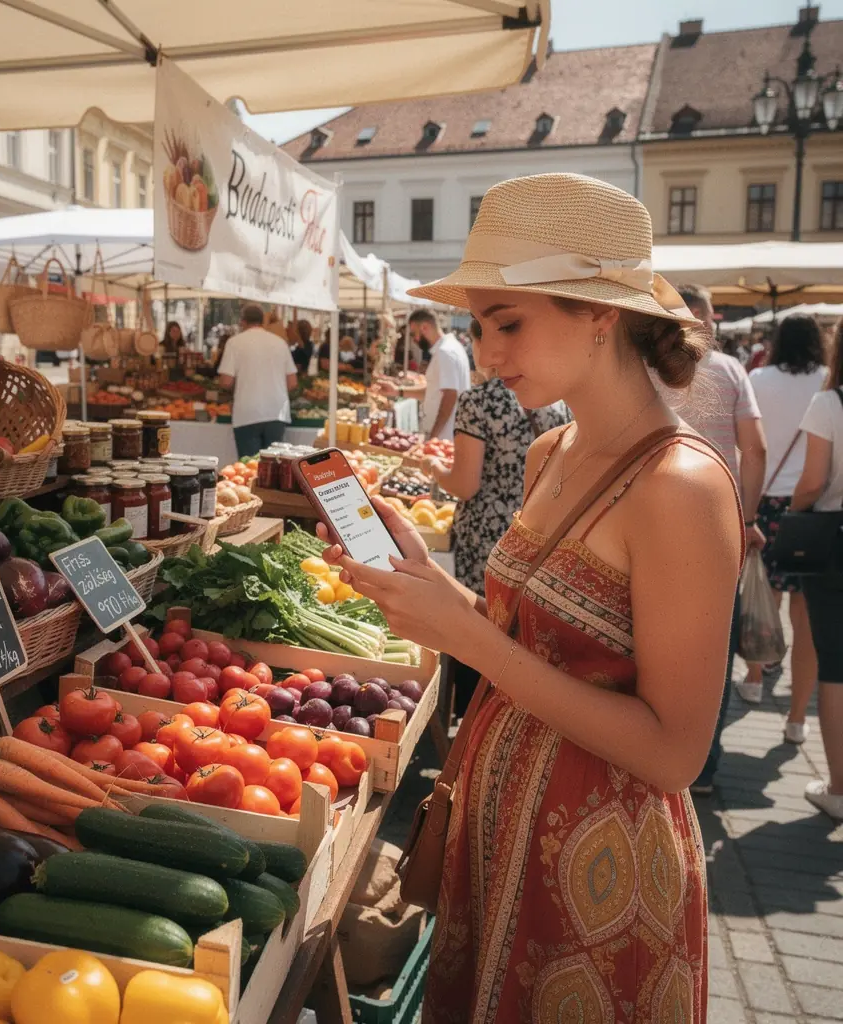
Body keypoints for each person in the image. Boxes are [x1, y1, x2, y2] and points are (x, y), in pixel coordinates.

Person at [318, 174, 741, 1023]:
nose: (489, 351)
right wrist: (441, 597)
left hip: (600, 874)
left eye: (508, 322)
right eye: (480, 326)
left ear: (601, 314)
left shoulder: (681, 486)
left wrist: (470, 642)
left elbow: (674, 755)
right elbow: (529, 641)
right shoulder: (552, 451)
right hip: (499, 829)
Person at [428, 317, 570, 714]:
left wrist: (435, 472)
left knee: (477, 628)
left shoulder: (478, 401)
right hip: (536, 532)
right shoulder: (554, 401)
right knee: (518, 634)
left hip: (487, 537)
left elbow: (466, 484)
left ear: (481, 343)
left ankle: (471, 719)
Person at [661, 285, 766, 796]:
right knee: (713, 649)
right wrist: (747, 516)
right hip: (718, 524)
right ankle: (703, 762)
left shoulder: (646, 367)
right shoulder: (730, 371)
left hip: (654, 524)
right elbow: (757, 448)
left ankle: (658, 746)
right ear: (703, 319)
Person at [745, 314, 827, 742]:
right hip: (814, 503)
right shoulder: (829, 381)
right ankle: (796, 719)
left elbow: (750, 443)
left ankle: (755, 677)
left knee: (765, 593)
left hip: (767, 497)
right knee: (807, 613)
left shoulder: (758, 377)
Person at [793, 320, 843, 819]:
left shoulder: (829, 404)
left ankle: (839, 789)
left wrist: (794, 508)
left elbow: (812, 482)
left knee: (836, 663)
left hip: (834, 540)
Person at [218, 303, 297, 457]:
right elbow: (292, 382)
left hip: (247, 413)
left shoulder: (234, 343)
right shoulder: (280, 343)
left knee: (249, 469)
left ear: (243, 321)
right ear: (262, 321)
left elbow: (226, 381)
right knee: (274, 469)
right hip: (277, 413)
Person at [379, 309, 471, 439]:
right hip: (447, 434)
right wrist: (397, 391)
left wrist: (434, 437)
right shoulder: (449, 348)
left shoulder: (445, 352)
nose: (414, 339)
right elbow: (434, 391)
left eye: (413, 333)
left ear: (424, 327)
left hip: (445, 436)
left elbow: (450, 395)